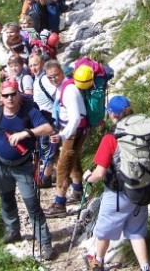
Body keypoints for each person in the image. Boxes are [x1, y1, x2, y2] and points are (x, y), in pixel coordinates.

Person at [0, 80, 57, 260]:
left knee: (31, 204)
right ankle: (13, 230)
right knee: (6, 199)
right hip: (1, 164)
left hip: (23, 165)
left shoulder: (28, 112)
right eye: (5, 95)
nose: (10, 98)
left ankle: (45, 242)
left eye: (13, 94)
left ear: (19, 95)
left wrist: (25, 133)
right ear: (1, 98)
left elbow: (48, 128)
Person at [81, 96, 150, 271]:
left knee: (104, 231)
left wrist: (88, 178)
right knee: (136, 233)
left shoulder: (111, 139)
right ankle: (145, 267)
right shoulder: (145, 133)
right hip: (141, 191)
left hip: (118, 194)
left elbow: (99, 173)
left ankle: (97, 263)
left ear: (112, 115)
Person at [43, 60, 88, 217]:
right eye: (50, 77)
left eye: (56, 75)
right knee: (72, 160)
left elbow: (75, 118)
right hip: (69, 129)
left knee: (63, 165)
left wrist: (62, 134)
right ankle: (77, 191)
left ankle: (59, 204)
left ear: (62, 71)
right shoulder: (62, 87)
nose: (54, 79)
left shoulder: (69, 90)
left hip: (73, 131)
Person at [28, 53, 58, 188]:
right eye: (31, 65)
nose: (33, 68)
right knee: (48, 148)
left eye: (36, 64)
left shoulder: (44, 79)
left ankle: (45, 178)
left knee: (47, 149)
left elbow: (58, 96)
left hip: (49, 119)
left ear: (42, 63)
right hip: (45, 119)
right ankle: (52, 173)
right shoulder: (37, 79)